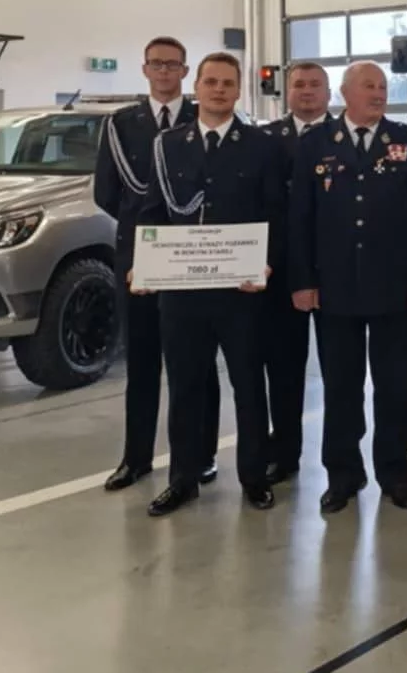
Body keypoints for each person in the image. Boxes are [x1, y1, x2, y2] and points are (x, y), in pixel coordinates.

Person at [135, 53, 284, 516]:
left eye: (228, 83)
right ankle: (183, 480)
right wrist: (143, 264)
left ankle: (254, 477)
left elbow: (275, 213)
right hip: (182, 293)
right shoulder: (167, 145)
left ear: (239, 91)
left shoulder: (261, 145)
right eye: (211, 81)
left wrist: (267, 264)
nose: (219, 90)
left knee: (249, 387)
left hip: (241, 293)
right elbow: (153, 210)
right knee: (185, 388)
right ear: (195, 87)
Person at [290, 61, 407, 513]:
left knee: (395, 387)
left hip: (394, 287)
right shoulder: (315, 143)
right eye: (368, 86)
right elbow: (300, 219)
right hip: (334, 288)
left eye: (382, 86)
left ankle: (395, 474)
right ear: (345, 93)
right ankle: (342, 475)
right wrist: (303, 280)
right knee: (341, 388)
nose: (377, 93)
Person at [94, 36, 219, 493]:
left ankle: (202, 456)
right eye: (156, 64)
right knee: (142, 362)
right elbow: (106, 192)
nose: (164, 72)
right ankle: (136, 458)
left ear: (185, 72)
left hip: (193, 256)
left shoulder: (203, 116)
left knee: (199, 366)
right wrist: (145, 233)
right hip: (140, 258)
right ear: (145, 69)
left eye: (173, 64)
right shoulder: (121, 124)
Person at [259, 61, 335, 487]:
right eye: (299, 85)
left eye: (315, 85)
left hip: (335, 270)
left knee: (339, 372)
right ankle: (285, 453)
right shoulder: (266, 139)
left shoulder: (344, 136)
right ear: (287, 92)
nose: (307, 91)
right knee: (284, 369)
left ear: (329, 92)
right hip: (281, 270)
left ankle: (339, 461)